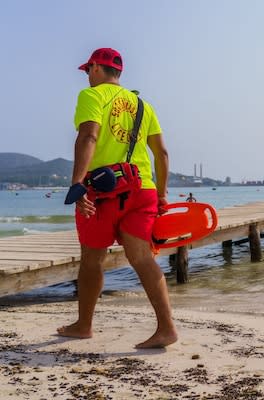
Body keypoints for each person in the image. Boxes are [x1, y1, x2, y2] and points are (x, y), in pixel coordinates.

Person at [58, 48, 177, 349]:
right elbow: (161, 154)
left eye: (88, 70)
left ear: (96, 68)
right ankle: (166, 328)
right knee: (141, 257)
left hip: (103, 193)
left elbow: (89, 136)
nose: (87, 76)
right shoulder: (142, 105)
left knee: (92, 260)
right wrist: (161, 194)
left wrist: (76, 183)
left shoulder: (93, 97)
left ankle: (84, 325)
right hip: (142, 189)